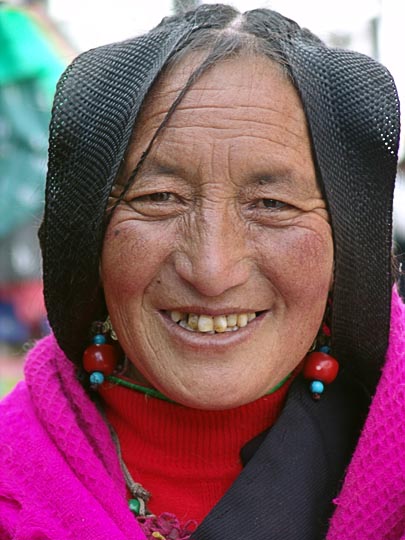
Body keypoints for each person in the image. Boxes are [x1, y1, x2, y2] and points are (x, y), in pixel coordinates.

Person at [0, 4, 404, 539]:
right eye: (159, 197)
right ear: (88, 235)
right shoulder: (14, 474)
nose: (212, 272)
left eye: (272, 203)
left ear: (346, 241)